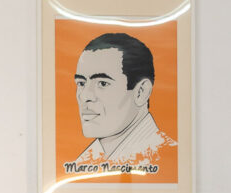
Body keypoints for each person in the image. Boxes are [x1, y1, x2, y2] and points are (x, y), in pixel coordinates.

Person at [73, 33, 176, 165]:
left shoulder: (168, 161)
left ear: (141, 92)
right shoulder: (82, 164)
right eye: (81, 83)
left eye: (102, 83)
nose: (84, 96)